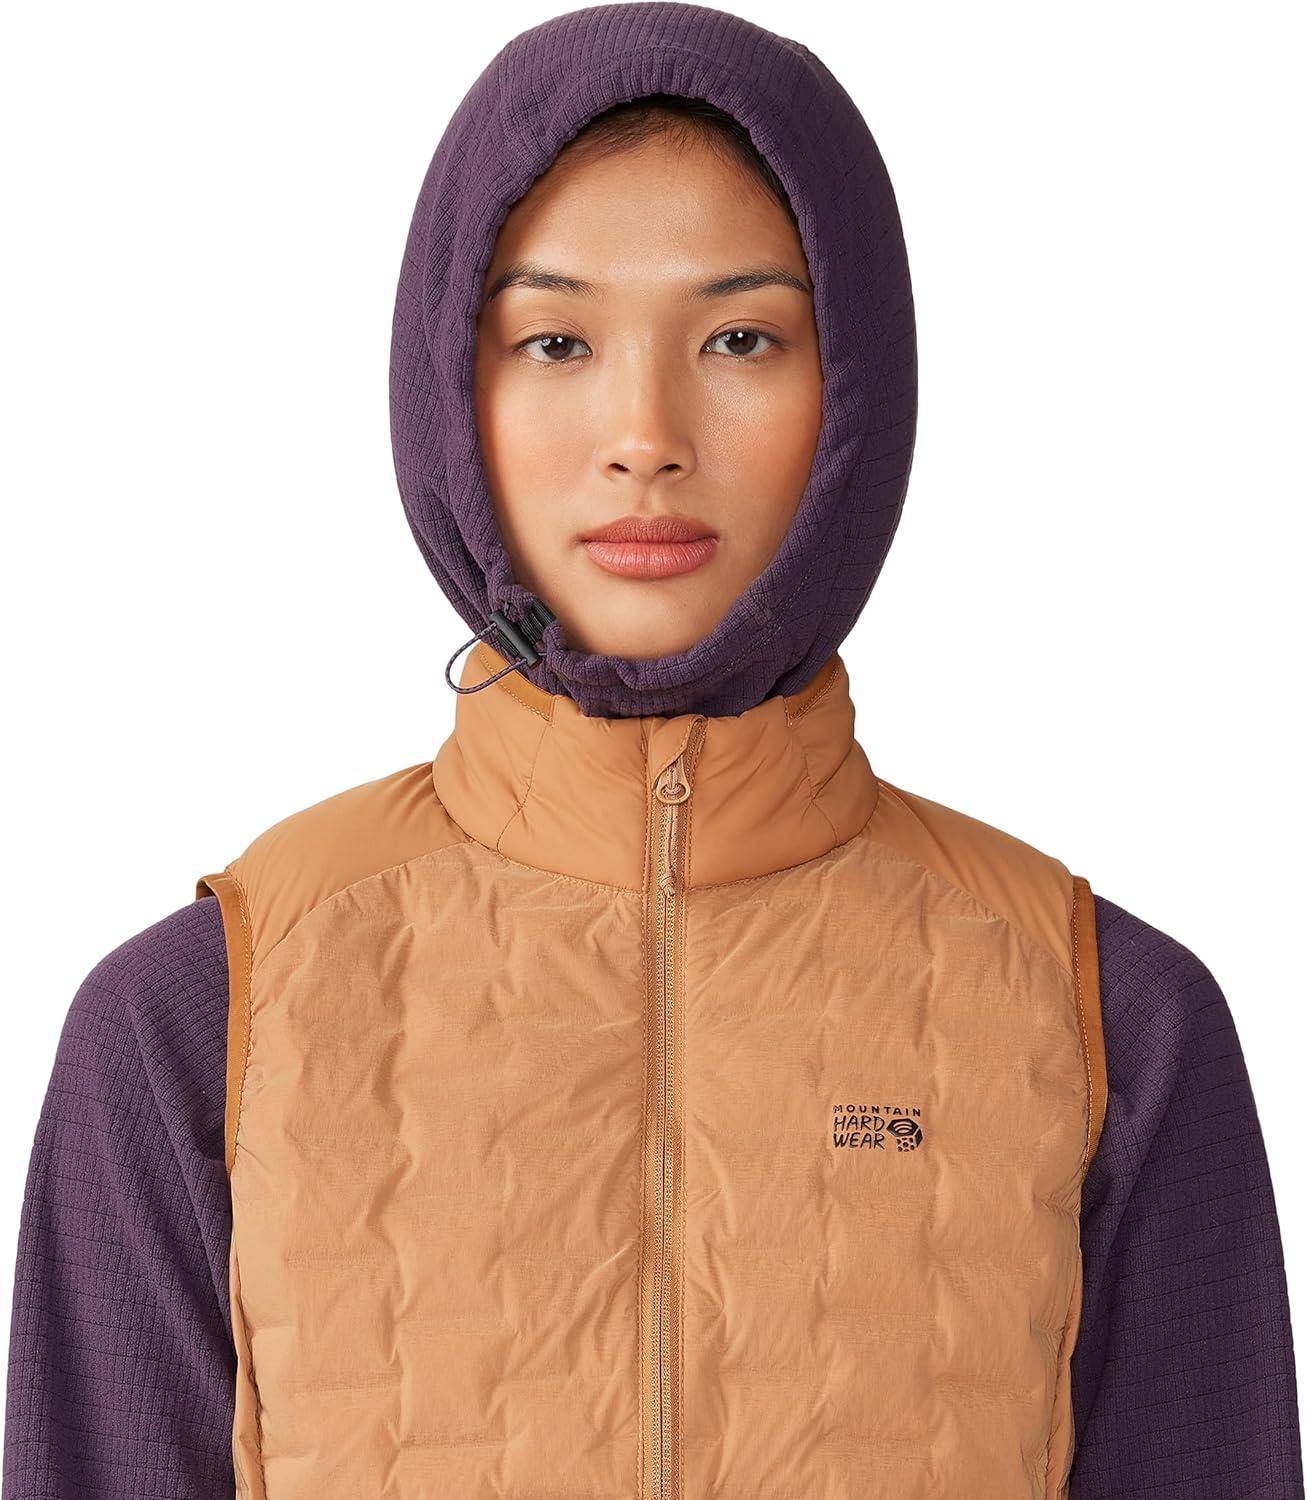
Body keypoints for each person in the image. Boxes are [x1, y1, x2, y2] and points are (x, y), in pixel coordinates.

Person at [3, 4, 1302, 1497]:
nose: (645, 433)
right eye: (554, 340)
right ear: (450, 392)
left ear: (857, 390)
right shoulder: (199, 1022)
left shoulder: (1108, 1023)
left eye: (741, 338)